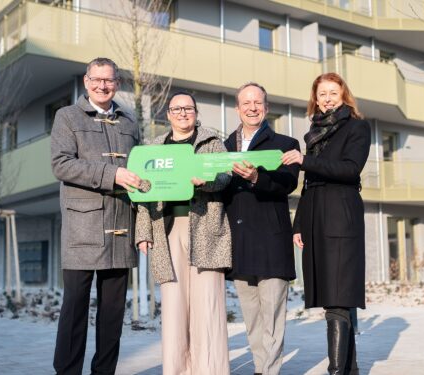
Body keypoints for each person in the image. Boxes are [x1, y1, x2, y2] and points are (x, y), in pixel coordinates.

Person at [50, 57, 142, 375]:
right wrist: (111, 173)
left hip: (121, 227)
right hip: (82, 228)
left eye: (110, 80)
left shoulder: (130, 122)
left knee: (113, 315)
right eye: (97, 80)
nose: (103, 86)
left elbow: (140, 170)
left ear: (117, 83)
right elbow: (61, 164)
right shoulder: (67, 116)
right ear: (86, 81)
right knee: (74, 310)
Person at [135, 91, 232, 374]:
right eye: (176, 109)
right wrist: (143, 232)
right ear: (167, 114)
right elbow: (142, 192)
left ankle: (210, 370)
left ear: (196, 112)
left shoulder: (213, 142)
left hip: (206, 229)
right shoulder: (153, 147)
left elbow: (226, 176)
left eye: (188, 108)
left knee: (208, 308)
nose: (182, 113)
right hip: (166, 231)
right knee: (174, 309)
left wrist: (208, 181)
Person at [281, 72, 371, 375]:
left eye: (333, 92)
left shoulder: (357, 127)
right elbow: (309, 184)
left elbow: (349, 169)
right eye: (322, 94)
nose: (328, 98)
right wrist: (299, 223)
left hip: (341, 216)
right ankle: (349, 370)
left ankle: (335, 371)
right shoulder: (315, 132)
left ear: (344, 95)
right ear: (315, 99)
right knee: (333, 297)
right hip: (316, 216)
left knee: (338, 296)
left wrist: (304, 160)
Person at [223, 82, 300, 375]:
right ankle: (260, 368)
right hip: (238, 241)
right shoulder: (224, 146)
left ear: (266, 108)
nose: (252, 107)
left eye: (258, 102)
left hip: (271, 240)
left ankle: (270, 370)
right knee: (252, 317)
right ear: (237, 109)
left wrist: (257, 177)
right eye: (246, 103)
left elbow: (288, 182)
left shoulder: (286, 143)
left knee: (272, 315)